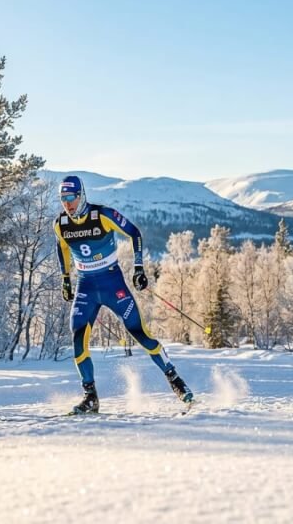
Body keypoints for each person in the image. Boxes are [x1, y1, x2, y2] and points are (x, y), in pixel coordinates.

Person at [52, 174, 193, 414]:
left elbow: (134, 233)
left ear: (82, 195)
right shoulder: (61, 224)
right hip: (85, 287)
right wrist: (66, 279)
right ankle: (90, 397)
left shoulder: (102, 216)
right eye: (63, 199)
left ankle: (175, 380)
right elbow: (62, 247)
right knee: (77, 338)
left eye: (71, 197)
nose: (68, 204)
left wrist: (138, 267)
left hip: (112, 283)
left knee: (140, 334)